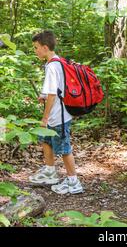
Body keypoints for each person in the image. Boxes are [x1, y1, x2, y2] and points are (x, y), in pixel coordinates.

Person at [29, 30, 83, 195]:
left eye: (36, 47)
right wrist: (43, 95)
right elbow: (56, 89)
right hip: (55, 114)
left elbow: (53, 95)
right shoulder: (57, 61)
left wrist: (44, 118)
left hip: (58, 116)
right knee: (46, 140)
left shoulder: (52, 66)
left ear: (45, 47)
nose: (35, 50)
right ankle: (50, 171)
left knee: (64, 148)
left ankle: (74, 181)